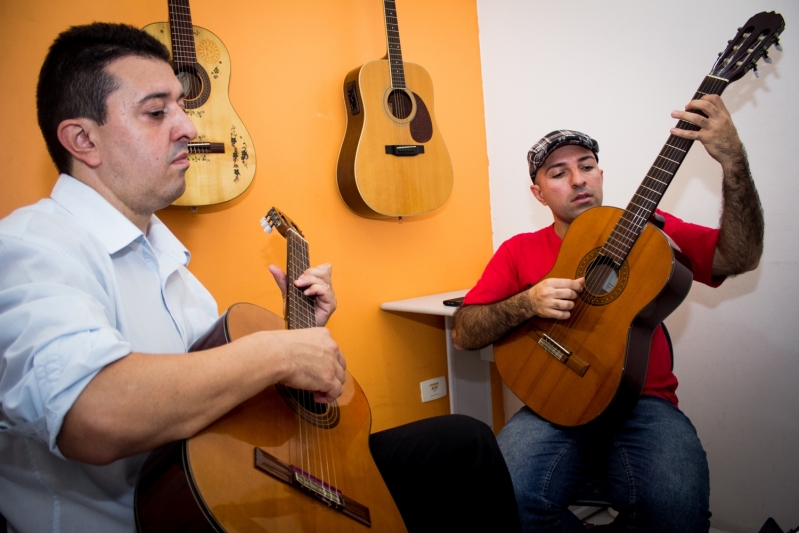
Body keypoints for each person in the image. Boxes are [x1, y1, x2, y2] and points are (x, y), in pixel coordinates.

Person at [0, 23, 520, 532]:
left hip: (233, 482)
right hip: (164, 517)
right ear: (83, 139)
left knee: (462, 445)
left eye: (182, 105)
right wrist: (279, 352)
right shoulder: (31, 245)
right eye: (157, 112)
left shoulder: (171, 268)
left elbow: (227, 409)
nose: (188, 126)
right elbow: (90, 415)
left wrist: (301, 335)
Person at [452, 109, 764, 531]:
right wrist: (526, 302)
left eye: (586, 166)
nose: (578, 179)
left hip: (643, 404)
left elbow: (740, 257)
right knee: (504, 499)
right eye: (558, 173)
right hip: (554, 401)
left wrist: (733, 161)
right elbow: (464, 334)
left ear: (601, 174)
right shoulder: (517, 250)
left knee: (675, 511)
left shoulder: (652, 234)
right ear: (538, 193)